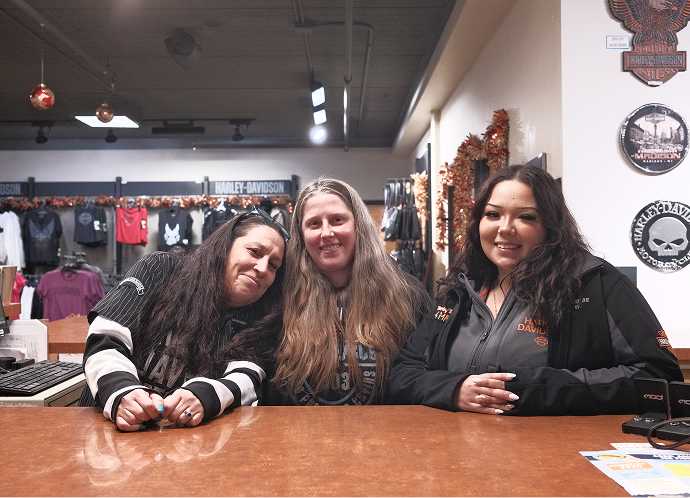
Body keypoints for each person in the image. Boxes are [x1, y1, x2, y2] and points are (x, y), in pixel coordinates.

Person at [388, 164, 683, 415]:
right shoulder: (459, 289)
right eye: (493, 214)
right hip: (461, 458)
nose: (505, 228)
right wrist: (454, 390)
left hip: (560, 461)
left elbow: (657, 378)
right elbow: (403, 373)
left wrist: (529, 390)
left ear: (551, 226)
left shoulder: (595, 283)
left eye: (526, 217)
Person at [81, 206, 289, 431]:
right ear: (225, 246)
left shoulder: (261, 316)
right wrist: (122, 392)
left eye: (274, 265)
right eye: (255, 251)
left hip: (188, 450)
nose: (262, 268)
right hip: (106, 437)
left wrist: (207, 395)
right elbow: (106, 337)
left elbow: (248, 376)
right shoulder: (161, 269)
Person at [268, 177, 433, 405]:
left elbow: (425, 376)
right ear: (301, 234)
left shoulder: (406, 295)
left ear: (358, 225)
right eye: (314, 224)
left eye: (337, 220)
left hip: (386, 437)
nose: (326, 232)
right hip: (300, 438)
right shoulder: (280, 297)